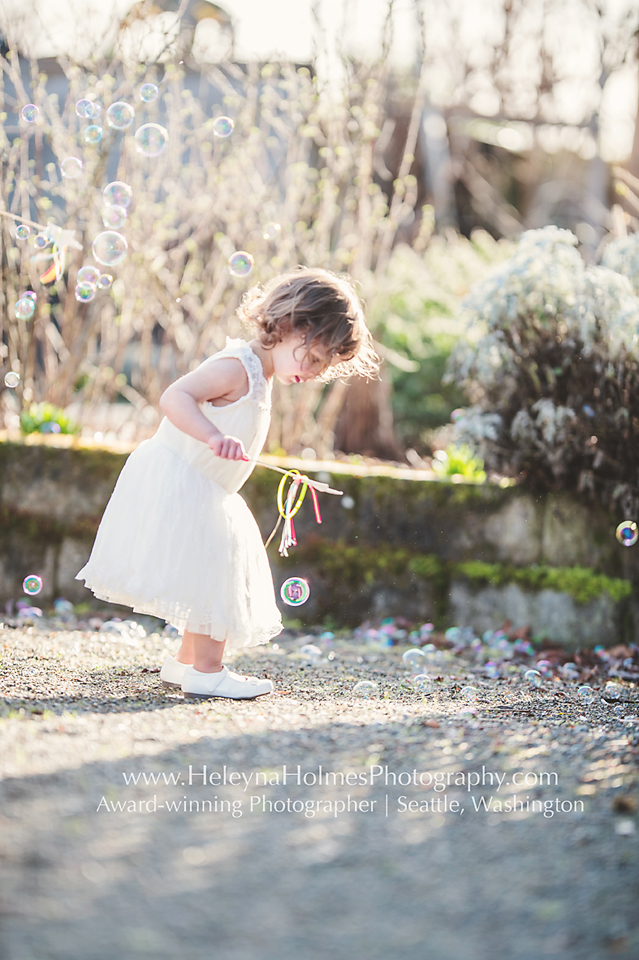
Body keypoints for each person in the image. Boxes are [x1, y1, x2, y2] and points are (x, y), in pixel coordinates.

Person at [76, 266, 379, 700]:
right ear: (290, 325)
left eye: (323, 366)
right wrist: (213, 435)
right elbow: (174, 397)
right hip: (184, 478)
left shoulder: (261, 373)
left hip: (203, 485)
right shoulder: (239, 367)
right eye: (311, 357)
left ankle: (186, 663)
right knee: (216, 571)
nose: (313, 371)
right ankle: (207, 670)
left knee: (202, 574)